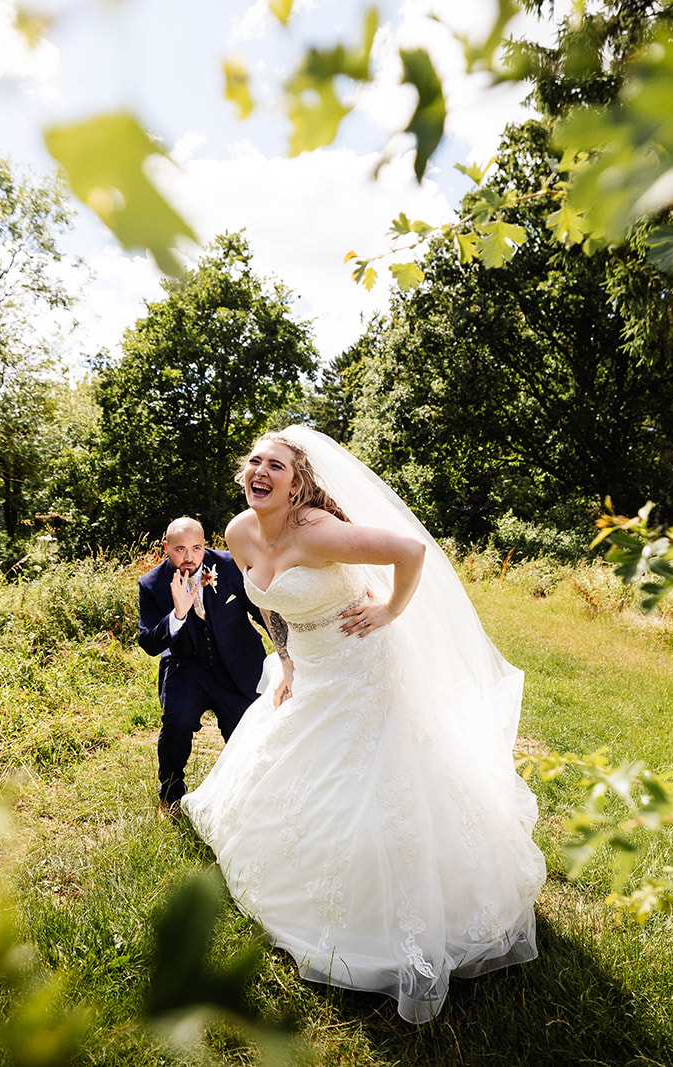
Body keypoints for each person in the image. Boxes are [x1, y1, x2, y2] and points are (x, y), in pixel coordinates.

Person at [181, 427, 546, 1024]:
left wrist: (389, 609)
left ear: (297, 484)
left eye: (277, 465)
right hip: (314, 665)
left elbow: (411, 551)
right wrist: (289, 661)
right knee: (294, 767)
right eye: (255, 462)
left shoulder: (318, 531)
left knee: (383, 781)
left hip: (363, 665)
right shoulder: (241, 531)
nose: (261, 472)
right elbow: (268, 603)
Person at [137, 516, 268, 816]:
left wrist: (289, 649)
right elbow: (148, 643)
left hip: (238, 661)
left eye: (196, 548)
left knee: (247, 731)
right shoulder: (151, 584)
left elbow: (261, 611)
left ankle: (251, 795)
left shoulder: (232, 565)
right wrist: (178, 615)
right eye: (180, 549)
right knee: (176, 723)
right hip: (186, 666)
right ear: (166, 547)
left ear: (205, 545)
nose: (189, 557)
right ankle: (171, 794)